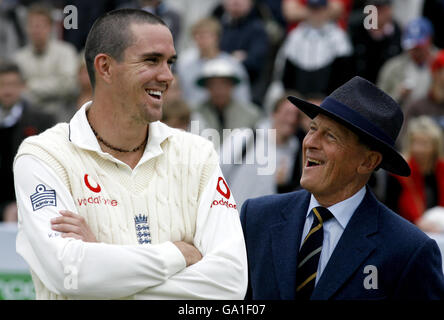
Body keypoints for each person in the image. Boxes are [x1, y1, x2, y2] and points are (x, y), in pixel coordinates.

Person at [13, 9, 247, 300]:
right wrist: (177, 254)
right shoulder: (44, 155)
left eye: (170, 62)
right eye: (151, 60)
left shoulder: (197, 154)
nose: (167, 76)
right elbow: (69, 274)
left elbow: (230, 283)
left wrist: (101, 263)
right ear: (106, 67)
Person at [240, 76, 444, 299]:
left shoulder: (409, 251)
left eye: (330, 136)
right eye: (312, 128)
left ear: (368, 162)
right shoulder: (257, 217)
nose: (310, 143)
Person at [0, 61, 55, 222]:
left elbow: (48, 170)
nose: (7, 91)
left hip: (32, 207)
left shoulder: (42, 120)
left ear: (22, 86)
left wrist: (21, 206)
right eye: (2, 84)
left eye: (12, 84)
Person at [13, 2, 78, 122]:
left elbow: (69, 86)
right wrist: (53, 87)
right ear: (26, 28)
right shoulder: (18, 58)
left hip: (61, 118)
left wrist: (31, 86)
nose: (36, 30)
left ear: (50, 27)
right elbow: (17, 91)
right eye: (32, 25)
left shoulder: (66, 52)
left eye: (40, 25)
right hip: (28, 119)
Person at [385, 116, 444, 231]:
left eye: (424, 143)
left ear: (435, 146)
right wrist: (417, 223)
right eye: (415, 142)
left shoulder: (441, 169)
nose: (418, 149)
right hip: (407, 230)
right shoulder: (400, 172)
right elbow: (390, 209)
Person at [377, 17, 436, 108]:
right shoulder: (393, 67)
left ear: (429, 40)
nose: (415, 49)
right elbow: (378, 103)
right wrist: (398, 95)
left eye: (418, 45)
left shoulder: (440, 62)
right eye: (412, 45)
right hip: (403, 119)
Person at [194, 58, 261, 137]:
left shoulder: (251, 114)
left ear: (232, 86)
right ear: (207, 87)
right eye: (213, 85)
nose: (218, 90)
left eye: (223, 84)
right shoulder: (195, 113)